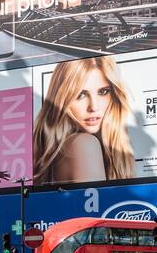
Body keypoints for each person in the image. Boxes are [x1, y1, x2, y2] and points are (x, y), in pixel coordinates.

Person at [32, 55, 134, 185]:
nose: (94, 107)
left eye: (103, 92)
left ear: (114, 95)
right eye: (81, 95)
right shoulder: (84, 144)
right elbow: (97, 205)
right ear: (63, 99)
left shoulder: (59, 148)